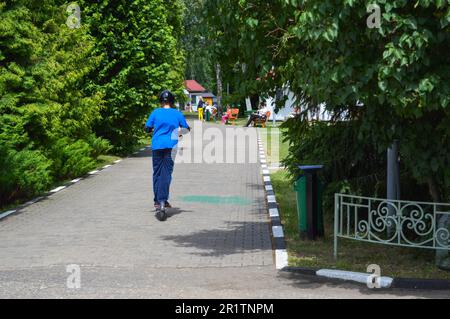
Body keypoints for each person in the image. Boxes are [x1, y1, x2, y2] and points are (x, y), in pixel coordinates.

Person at [144, 90, 190, 221]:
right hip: (171, 146)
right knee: (167, 173)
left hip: (157, 145)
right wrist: (178, 133)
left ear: (161, 101)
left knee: (157, 173)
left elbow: (147, 128)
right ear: (172, 101)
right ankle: (163, 200)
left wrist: (152, 129)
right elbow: (186, 129)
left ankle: (158, 201)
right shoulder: (177, 113)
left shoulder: (155, 112)